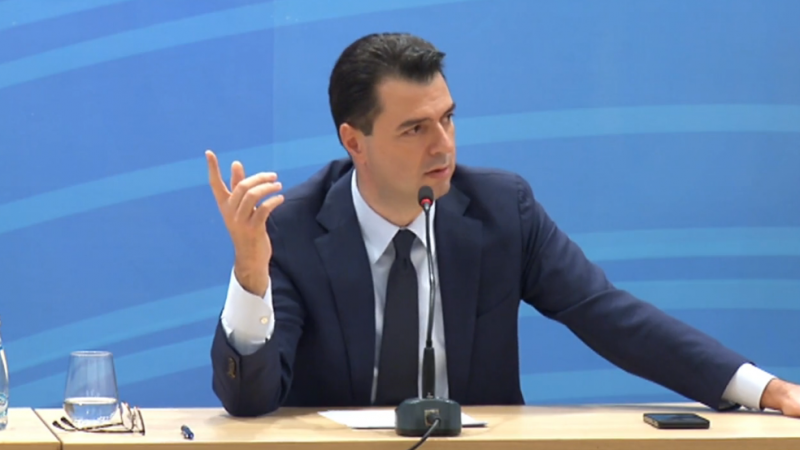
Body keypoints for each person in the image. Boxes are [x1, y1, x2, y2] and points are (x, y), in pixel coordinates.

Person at [205, 32, 800, 418]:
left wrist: (765, 389)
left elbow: (608, 315)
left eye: (447, 119)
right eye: (415, 129)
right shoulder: (294, 229)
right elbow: (250, 400)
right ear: (353, 142)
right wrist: (251, 275)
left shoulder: (499, 209)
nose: (443, 146)